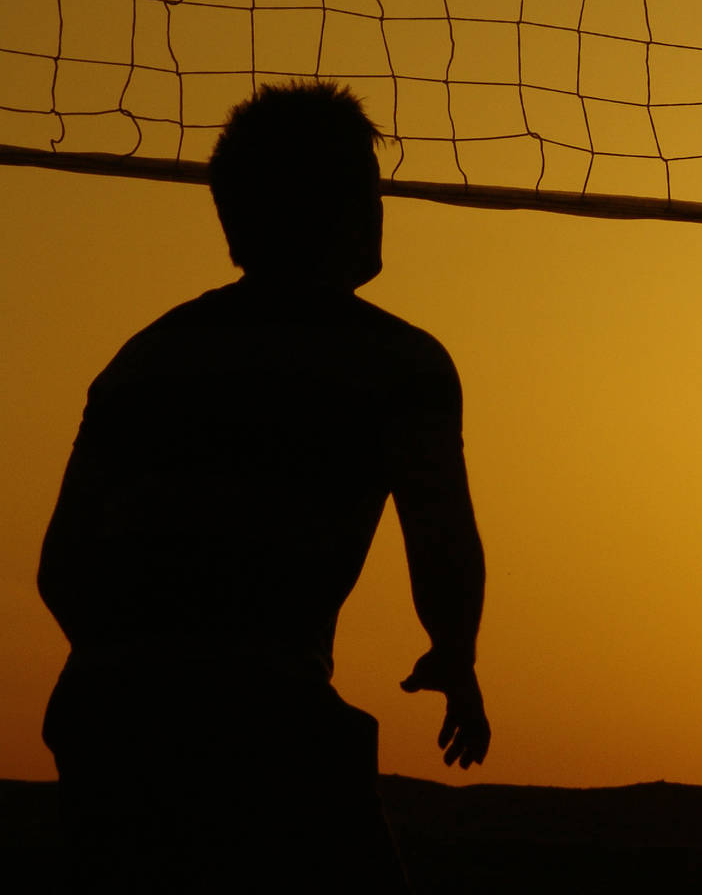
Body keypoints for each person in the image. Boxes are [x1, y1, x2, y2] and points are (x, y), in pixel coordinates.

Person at [37, 80, 491, 893]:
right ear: (347, 209)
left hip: (103, 716)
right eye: (369, 187)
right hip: (262, 713)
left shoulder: (142, 360)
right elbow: (442, 537)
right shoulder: (398, 363)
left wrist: (140, 666)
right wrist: (456, 655)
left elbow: (59, 568)